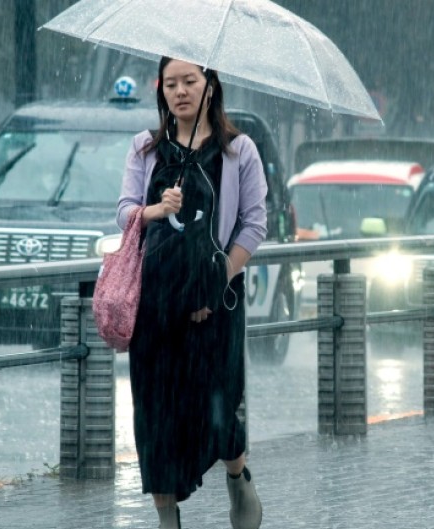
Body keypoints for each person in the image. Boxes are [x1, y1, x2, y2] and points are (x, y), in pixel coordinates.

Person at [116, 57, 268, 529]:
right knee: (156, 418)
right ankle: (167, 518)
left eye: (190, 81)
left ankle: (237, 477)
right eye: (170, 83)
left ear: (211, 85)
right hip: (155, 306)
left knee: (219, 413)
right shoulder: (145, 149)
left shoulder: (238, 150)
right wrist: (156, 209)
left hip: (214, 305)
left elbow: (254, 224)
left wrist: (214, 280)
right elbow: (124, 213)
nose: (179, 91)